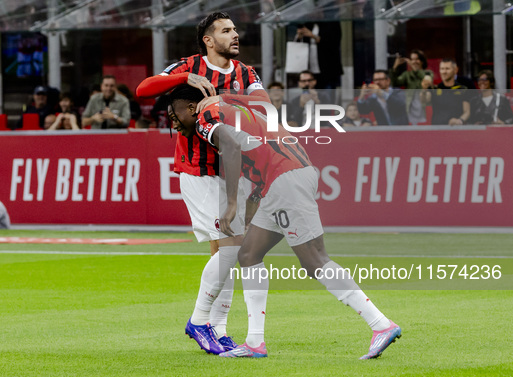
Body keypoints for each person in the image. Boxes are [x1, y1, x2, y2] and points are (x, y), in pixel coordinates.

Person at [168, 84, 401, 360]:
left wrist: (231, 205)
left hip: (284, 179)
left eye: (175, 114)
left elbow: (230, 146)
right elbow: (257, 123)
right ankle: (255, 343)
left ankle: (381, 325)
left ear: (192, 108)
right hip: (290, 174)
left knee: (315, 260)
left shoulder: (206, 117)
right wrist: (253, 204)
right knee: (249, 253)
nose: (173, 123)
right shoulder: (237, 106)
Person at [137, 11, 269, 355]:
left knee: (228, 250)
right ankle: (201, 322)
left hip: (232, 172)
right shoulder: (189, 66)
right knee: (231, 248)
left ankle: (217, 328)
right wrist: (183, 80)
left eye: (235, 29)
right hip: (198, 171)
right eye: (226, 31)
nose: (235, 35)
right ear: (208, 40)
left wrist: (222, 101)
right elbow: (143, 89)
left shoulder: (245, 73)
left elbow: (266, 106)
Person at [421, 59, 471, 126]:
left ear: (455, 70)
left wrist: (459, 120)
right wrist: (424, 90)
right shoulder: (435, 88)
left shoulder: (463, 89)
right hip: (437, 130)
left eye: (447, 69)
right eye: (442, 69)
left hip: (455, 130)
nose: (444, 72)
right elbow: (424, 100)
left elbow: (467, 112)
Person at [391, 49, 434, 124]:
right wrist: (395, 67)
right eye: (412, 59)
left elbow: (426, 81)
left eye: (417, 59)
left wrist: (413, 68)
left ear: (422, 61)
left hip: (424, 108)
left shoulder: (428, 73)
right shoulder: (407, 74)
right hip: (410, 109)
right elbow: (395, 83)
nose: (414, 62)